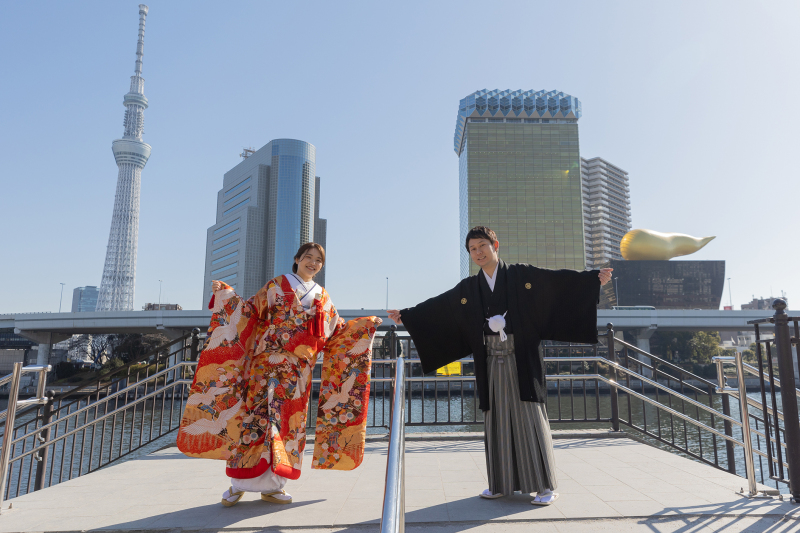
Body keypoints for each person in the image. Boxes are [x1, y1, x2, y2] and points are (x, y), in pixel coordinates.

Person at [388, 226, 612, 506]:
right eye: (472, 249)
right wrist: (409, 316)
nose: (478, 252)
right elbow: (441, 307)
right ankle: (501, 484)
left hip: (521, 357)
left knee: (530, 417)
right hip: (491, 361)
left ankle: (545, 486)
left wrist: (591, 281)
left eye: (482, 245)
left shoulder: (520, 275)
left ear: (495, 245)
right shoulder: (470, 287)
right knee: (496, 420)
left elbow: (555, 283)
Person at [178, 243, 382, 507]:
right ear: (296, 259)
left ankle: (275, 485)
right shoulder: (277, 284)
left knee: (288, 423)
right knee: (256, 418)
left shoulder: (323, 296)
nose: (313, 262)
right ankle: (238, 484)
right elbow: (250, 311)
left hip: (298, 372)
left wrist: (367, 324)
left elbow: (337, 331)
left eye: (318, 260)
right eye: (308, 257)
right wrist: (226, 295)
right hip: (267, 364)